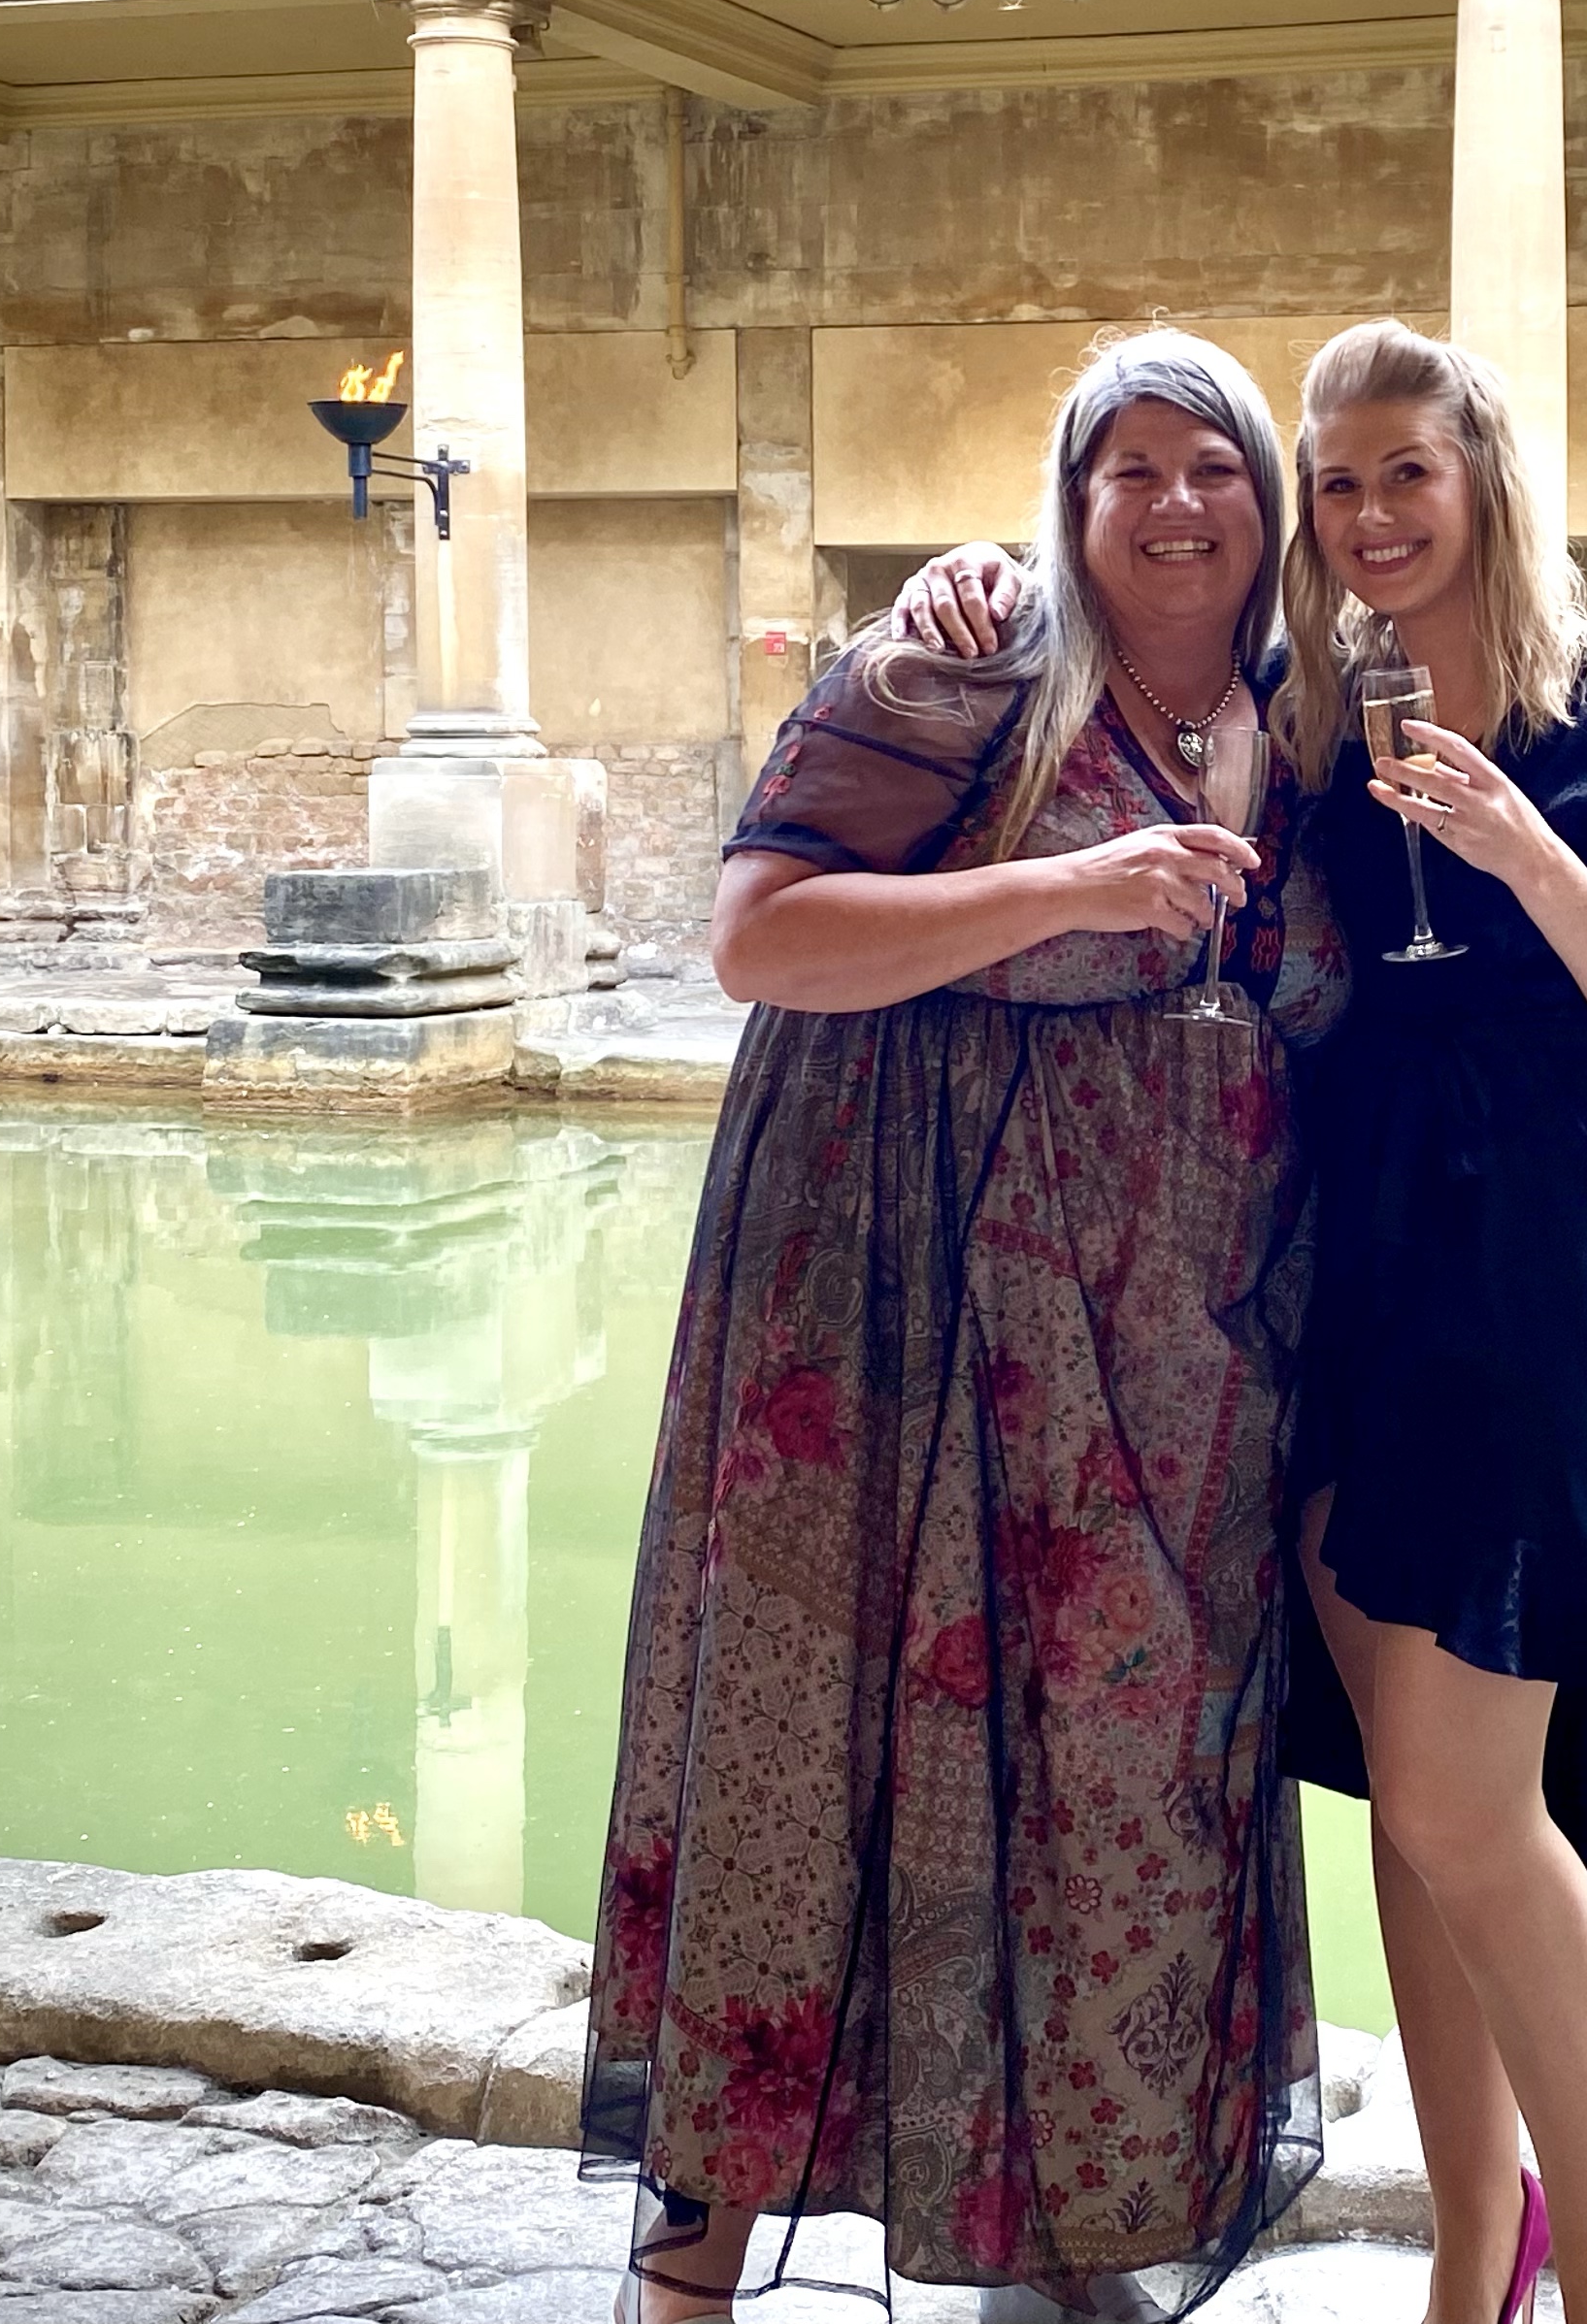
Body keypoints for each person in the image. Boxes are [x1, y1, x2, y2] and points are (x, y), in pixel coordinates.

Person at [901, 319, 1587, 2324]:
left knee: (1471, 1806)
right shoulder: (1306, 718)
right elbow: (1123, 630)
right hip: (1325, 1275)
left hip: (1523, 1283)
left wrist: (1520, 848)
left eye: (1406, 474)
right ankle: (1471, 2256)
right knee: (1403, 1809)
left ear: (1483, 481)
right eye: (1341, 480)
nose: (1371, 516)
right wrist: (969, 576)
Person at [588, 332, 1345, 2324]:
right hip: (895, 1319)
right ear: (1069, 503)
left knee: (1127, 1781)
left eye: (1217, 466)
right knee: (808, 1760)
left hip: (1177, 1364)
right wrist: (1065, 886)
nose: (1177, 503)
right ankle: (690, 2278)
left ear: (1268, 502)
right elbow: (760, 936)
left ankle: (1071, 2223)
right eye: (1131, 468)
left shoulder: (1310, 712)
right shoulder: (956, 670)